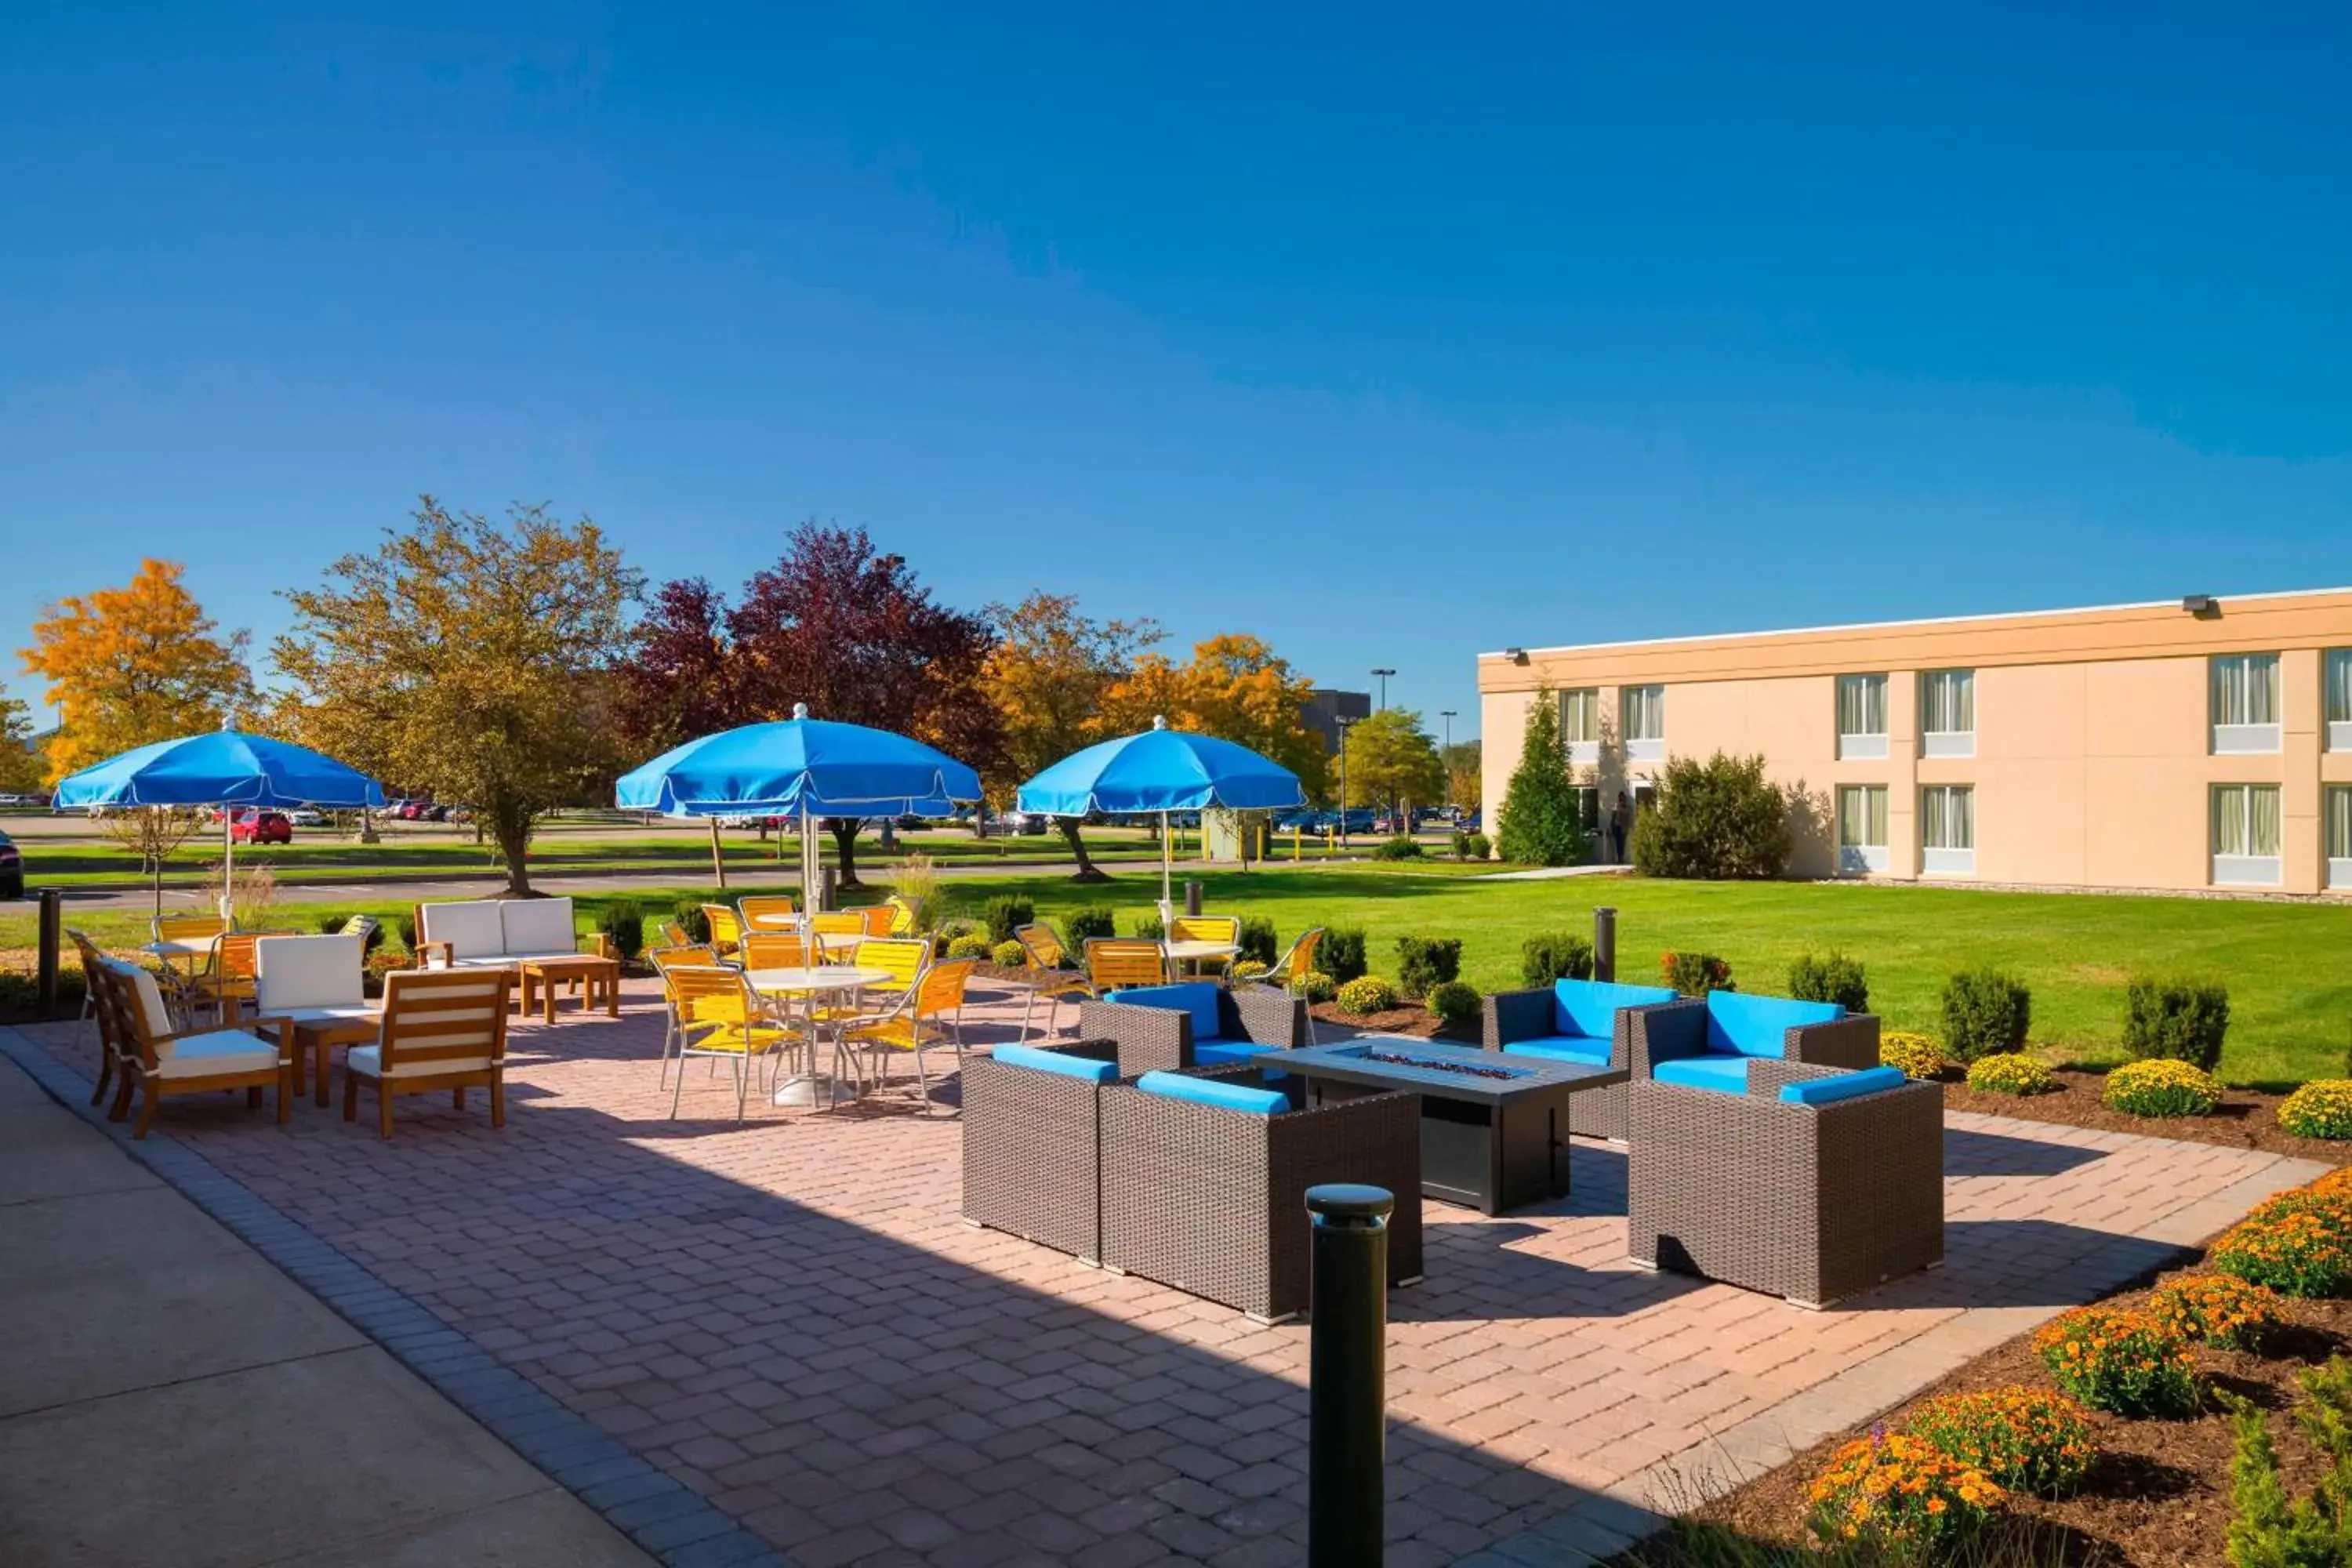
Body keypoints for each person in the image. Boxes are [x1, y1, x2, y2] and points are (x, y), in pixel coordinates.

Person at [1609, 791, 1632, 863]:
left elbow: (1628, 814)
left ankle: (1621, 858)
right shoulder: (1616, 808)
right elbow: (1613, 817)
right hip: (1616, 827)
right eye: (1620, 799)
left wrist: (1619, 808)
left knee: (1621, 844)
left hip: (1623, 828)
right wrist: (1611, 827)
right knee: (1616, 844)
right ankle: (1616, 858)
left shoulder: (1626, 808)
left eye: (1622, 799)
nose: (1621, 801)